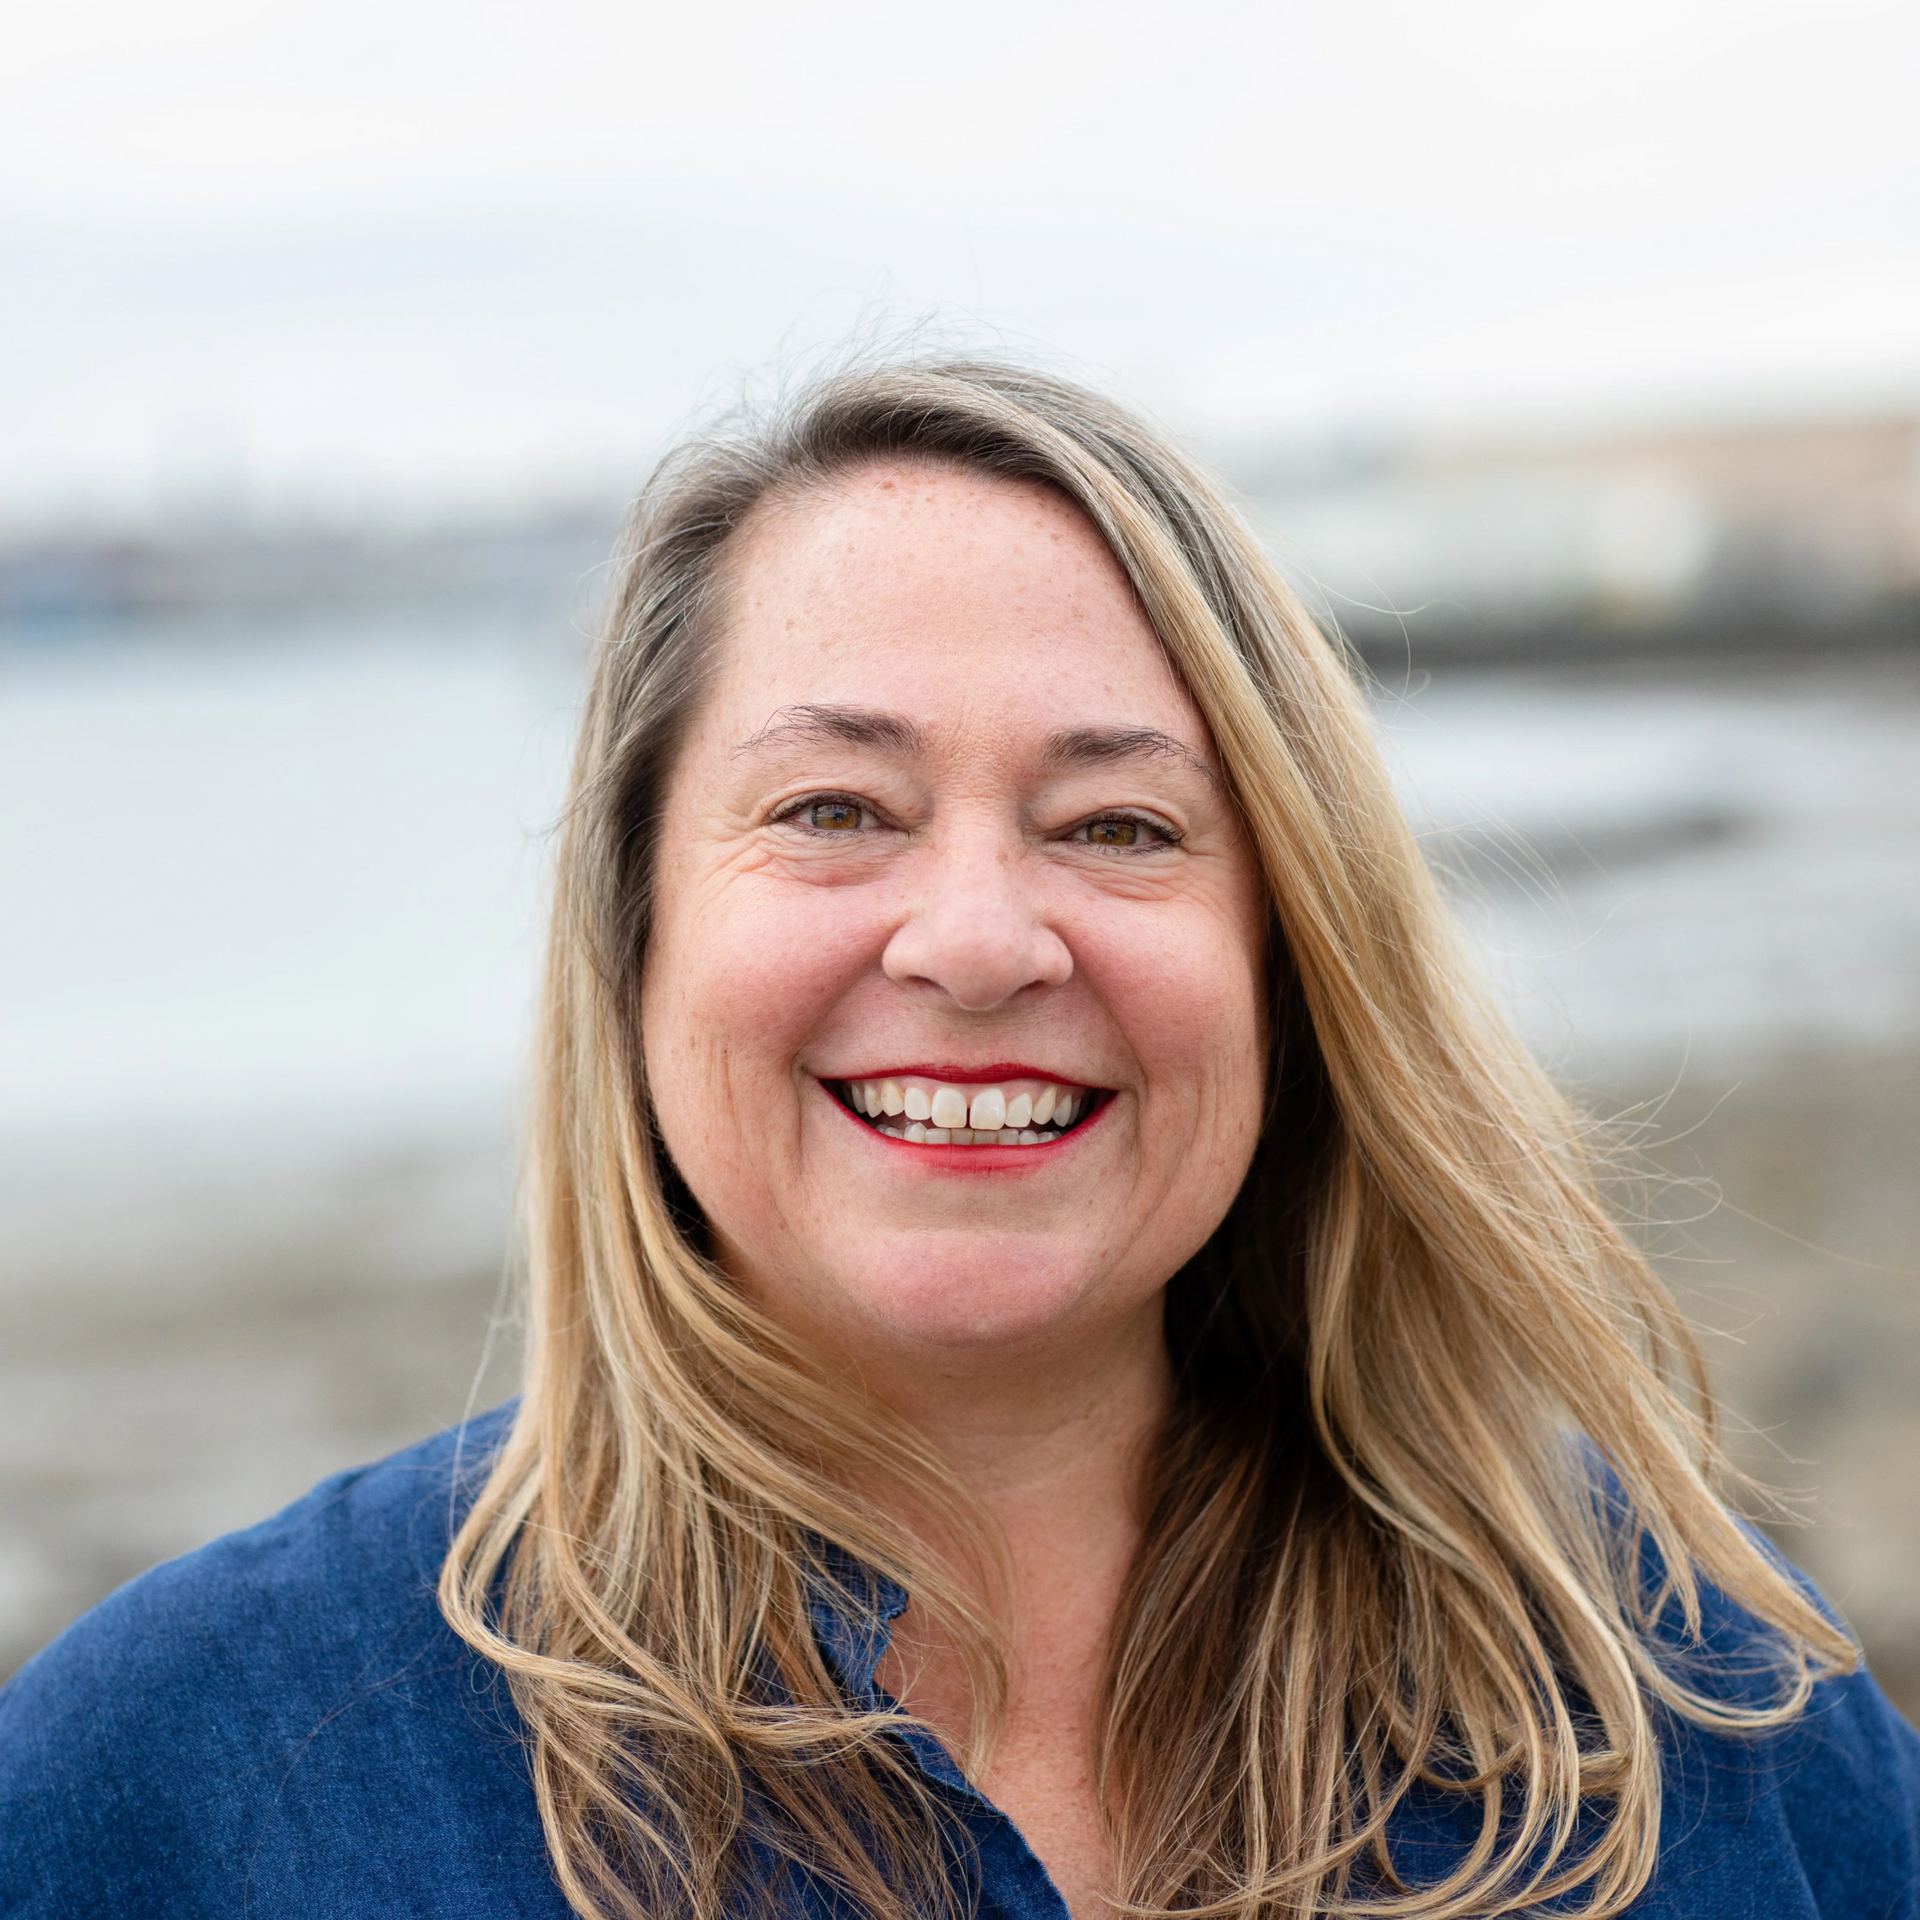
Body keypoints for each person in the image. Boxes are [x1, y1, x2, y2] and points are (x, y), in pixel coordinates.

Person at [2, 360, 1915, 1920]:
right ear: (635, 935)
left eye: (1118, 827)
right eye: (835, 809)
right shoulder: (186, 1782)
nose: (982, 943)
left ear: (1291, 965)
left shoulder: (1702, 1708)